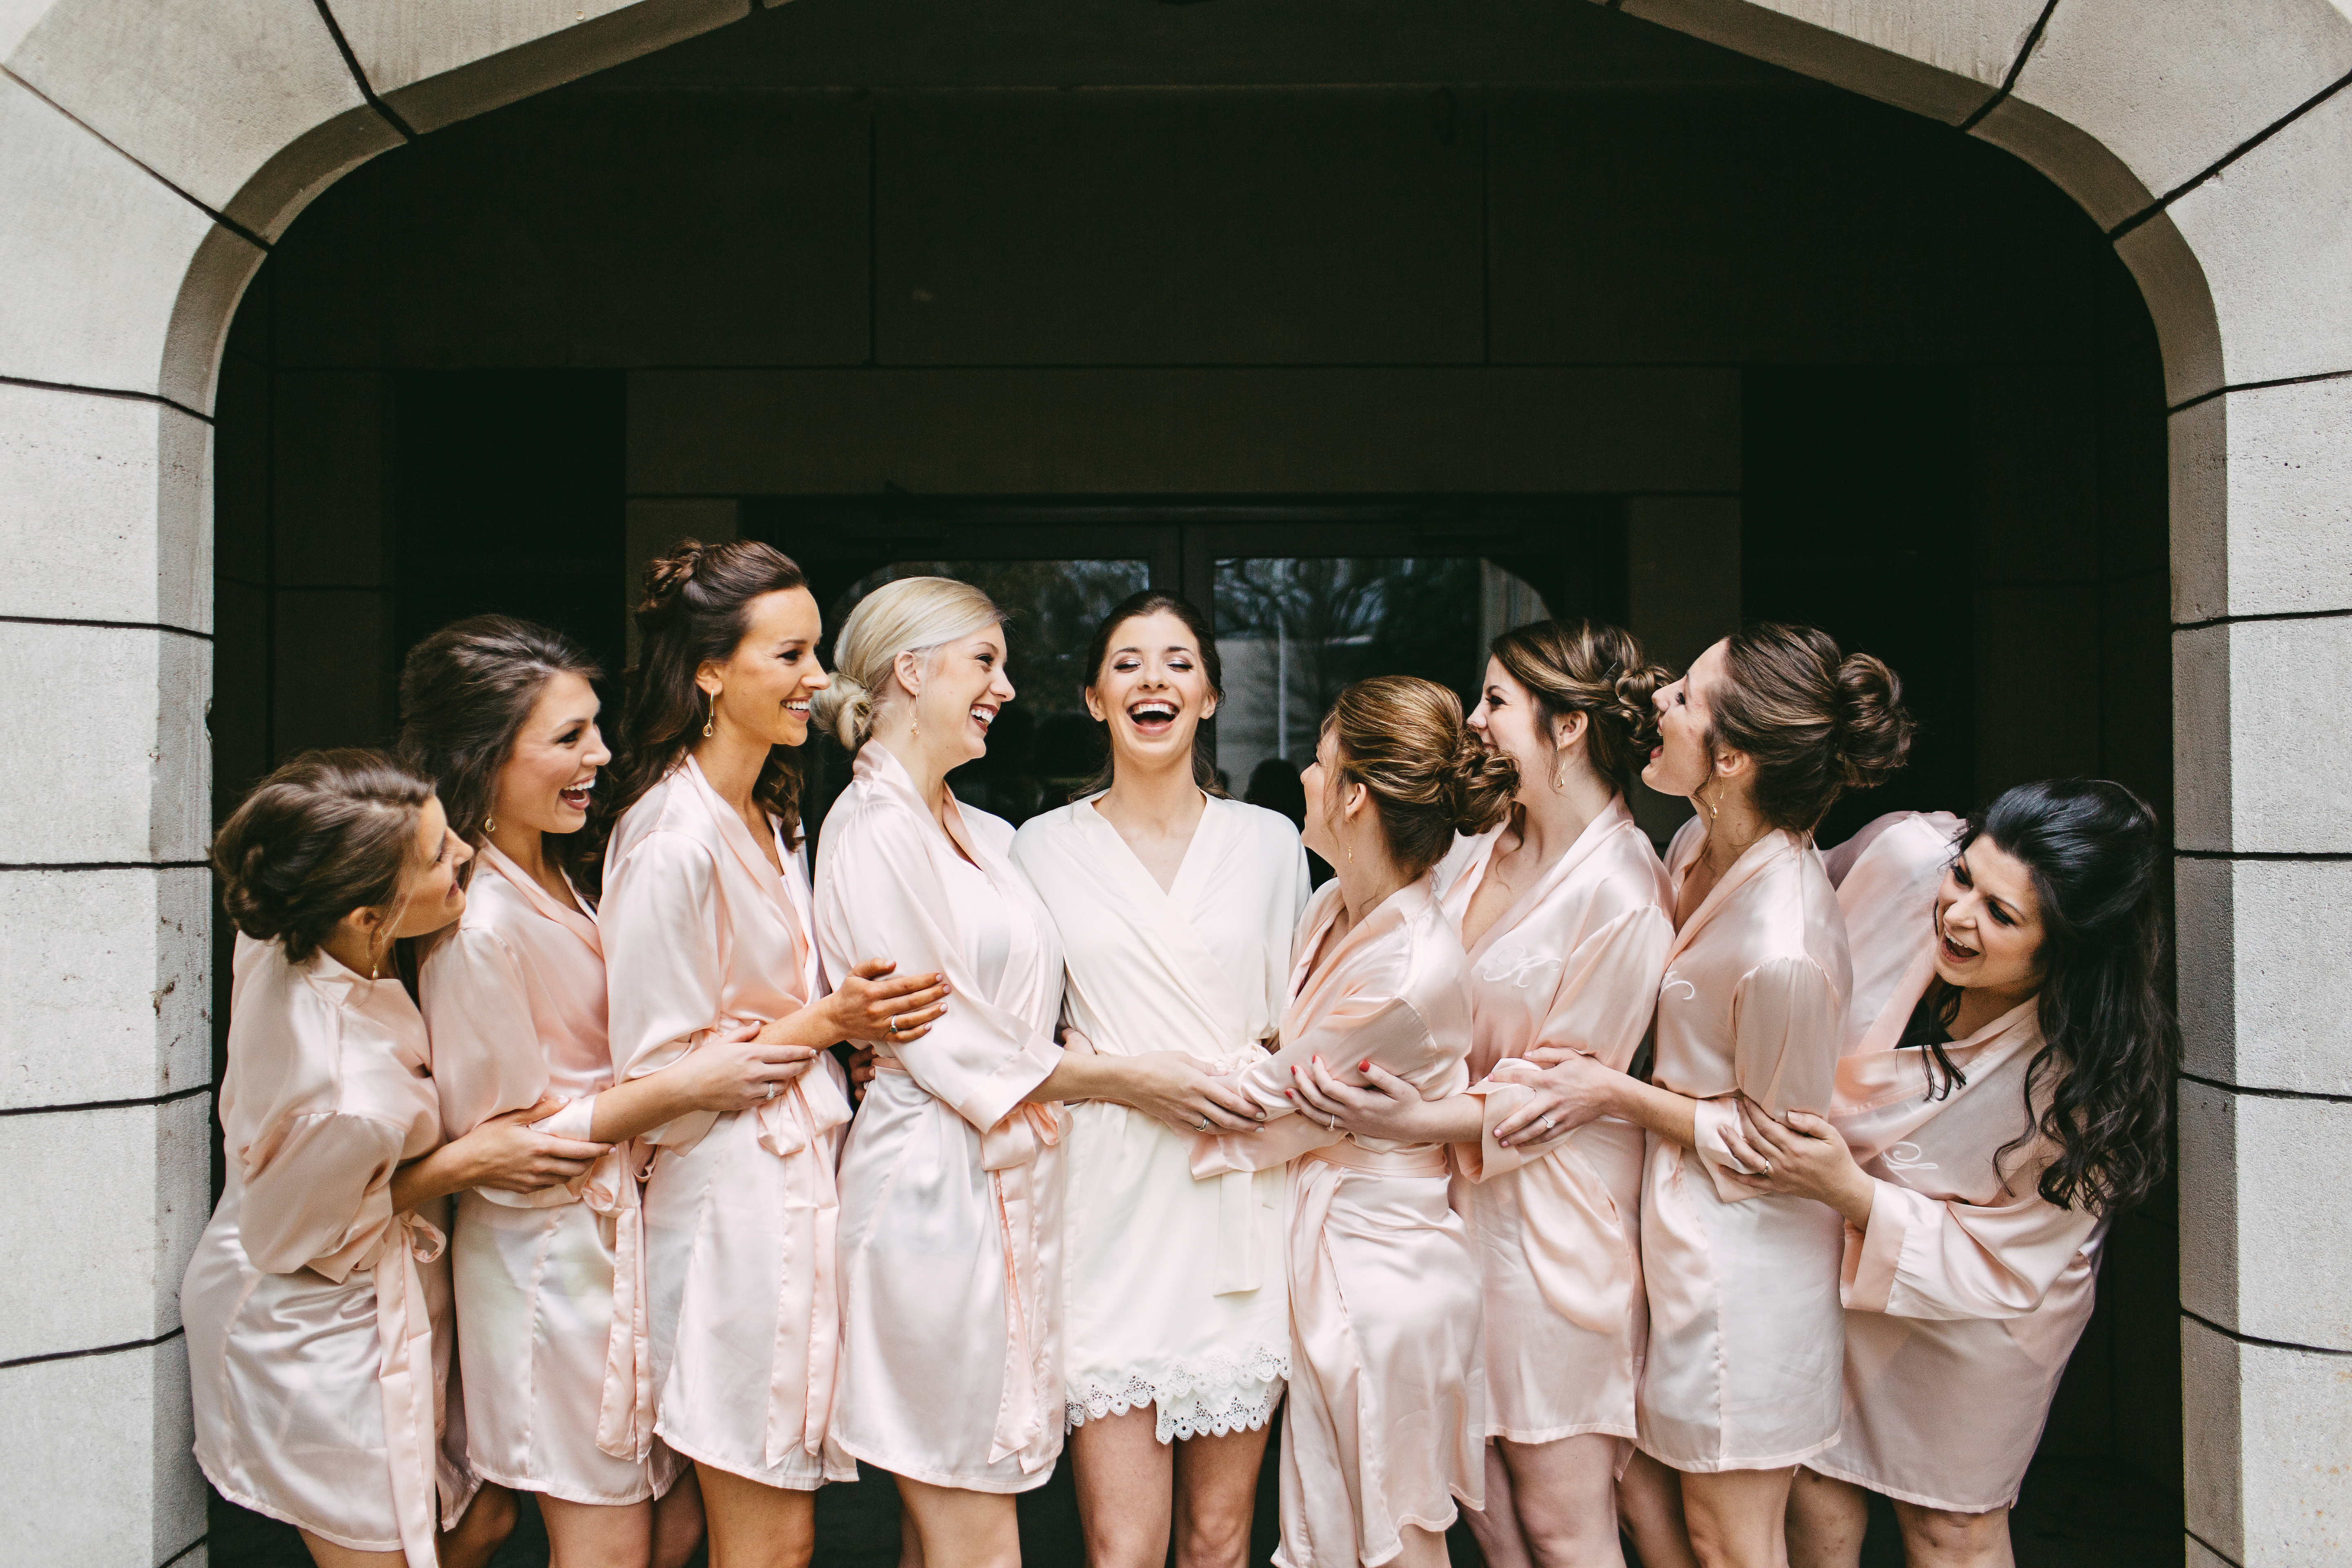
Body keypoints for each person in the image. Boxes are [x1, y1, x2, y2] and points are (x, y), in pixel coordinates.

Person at [1516, 624, 1913, 1568]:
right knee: (1658, 1511)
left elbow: (1779, 1148)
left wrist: (1611, 1092)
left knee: (1728, 1540)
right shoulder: (1695, 839)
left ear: (1730, 757)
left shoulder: (1787, 948)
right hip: (1673, 1240)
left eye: (1686, 697)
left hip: (1749, 1280)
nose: (1658, 702)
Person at [595, 542, 949, 1568]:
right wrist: (830, 1024)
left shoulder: (772, 812)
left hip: (791, 1195)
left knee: (709, 1528)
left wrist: (849, 1040)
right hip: (725, 1214)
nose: (817, 680)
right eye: (789, 655)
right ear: (709, 670)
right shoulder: (672, 838)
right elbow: (657, 1088)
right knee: (774, 1542)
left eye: (818, 654)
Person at [1301, 621, 1674, 1568]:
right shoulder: (1478, 842)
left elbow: (1562, 1093)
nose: (1475, 718)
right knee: (1489, 1515)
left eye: (1497, 701)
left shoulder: (1626, 893)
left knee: (1560, 1519)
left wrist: (1424, 1117)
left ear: (1569, 729)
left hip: (1552, 1231)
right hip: (1443, 1214)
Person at [1742, 782, 2177, 1568]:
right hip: (1828, 1254)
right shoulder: (1906, 869)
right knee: (1811, 1474)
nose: (1958, 914)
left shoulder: (2090, 1084)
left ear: (2072, 946)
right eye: (1965, 876)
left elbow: (2016, 1261)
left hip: (1990, 1306)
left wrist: (1850, 1189)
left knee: (1952, 1527)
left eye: (2002, 915)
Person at [186, 750, 602, 1568]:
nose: (467, 861)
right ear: (368, 918)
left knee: (478, 1523)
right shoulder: (349, 1096)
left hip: (385, 1280)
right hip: (313, 1324)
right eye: (440, 860)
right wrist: (468, 1161)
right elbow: (288, 1239)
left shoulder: (281, 922)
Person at [1008, 592, 1309, 1568]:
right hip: (1111, 1200)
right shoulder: (1039, 849)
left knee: (1220, 1537)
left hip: (1238, 1192)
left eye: (1178, 662)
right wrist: (1138, 1081)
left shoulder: (1269, 841)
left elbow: (1293, 1023)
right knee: (1120, 1543)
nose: (1153, 681)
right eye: (1128, 663)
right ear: (1096, 700)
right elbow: (1018, 1045)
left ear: (1212, 696)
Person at [1193, 675, 1517, 1568]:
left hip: (1381, 1275)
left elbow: (1269, 1107)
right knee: (1333, 1527)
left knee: (1386, 1536)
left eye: (1320, 760)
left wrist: (1091, 1070)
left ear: (1353, 794)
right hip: (1332, 1252)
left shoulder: (1412, 971)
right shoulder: (1330, 905)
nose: (1301, 775)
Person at [401, 616, 705, 1568]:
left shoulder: (564, 868)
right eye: (570, 737)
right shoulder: (479, 922)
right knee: (604, 1536)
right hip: (549, 1267)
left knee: (668, 1518)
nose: (601, 756)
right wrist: (692, 1087)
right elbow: (504, 1149)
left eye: (597, 729)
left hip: (615, 1244)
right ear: (486, 754)